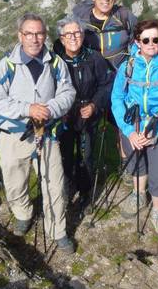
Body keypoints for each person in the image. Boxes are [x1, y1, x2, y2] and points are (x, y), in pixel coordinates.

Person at [0, 13, 77, 254]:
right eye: (29, 33)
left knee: (54, 183)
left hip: (46, 134)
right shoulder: (7, 64)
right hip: (14, 133)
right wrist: (27, 109)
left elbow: (68, 92)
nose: (35, 39)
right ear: (20, 35)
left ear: (45, 36)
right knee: (15, 182)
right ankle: (23, 213)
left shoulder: (56, 63)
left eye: (39, 33)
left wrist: (49, 109)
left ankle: (58, 231)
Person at [111, 19, 158, 241]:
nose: (151, 43)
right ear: (137, 42)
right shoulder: (127, 67)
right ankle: (138, 196)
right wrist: (128, 130)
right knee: (135, 165)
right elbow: (117, 98)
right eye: (146, 39)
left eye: (156, 39)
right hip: (132, 125)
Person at [72, 0, 138, 178]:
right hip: (91, 86)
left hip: (120, 85)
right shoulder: (79, 18)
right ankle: (86, 170)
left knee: (122, 126)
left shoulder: (126, 18)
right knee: (87, 129)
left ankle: (128, 168)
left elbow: (140, 44)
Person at [53, 15, 110, 206]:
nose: (73, 37)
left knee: (86, 155)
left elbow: (106, 85)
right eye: (67, 34)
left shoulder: (95, 58)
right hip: (65, 117)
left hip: (89, 115)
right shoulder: (55, 61)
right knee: (65, 155)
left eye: (76, 32)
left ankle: (85, 191)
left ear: (83, 35)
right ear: (61, 38)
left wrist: (94, 105)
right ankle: (68, 188)